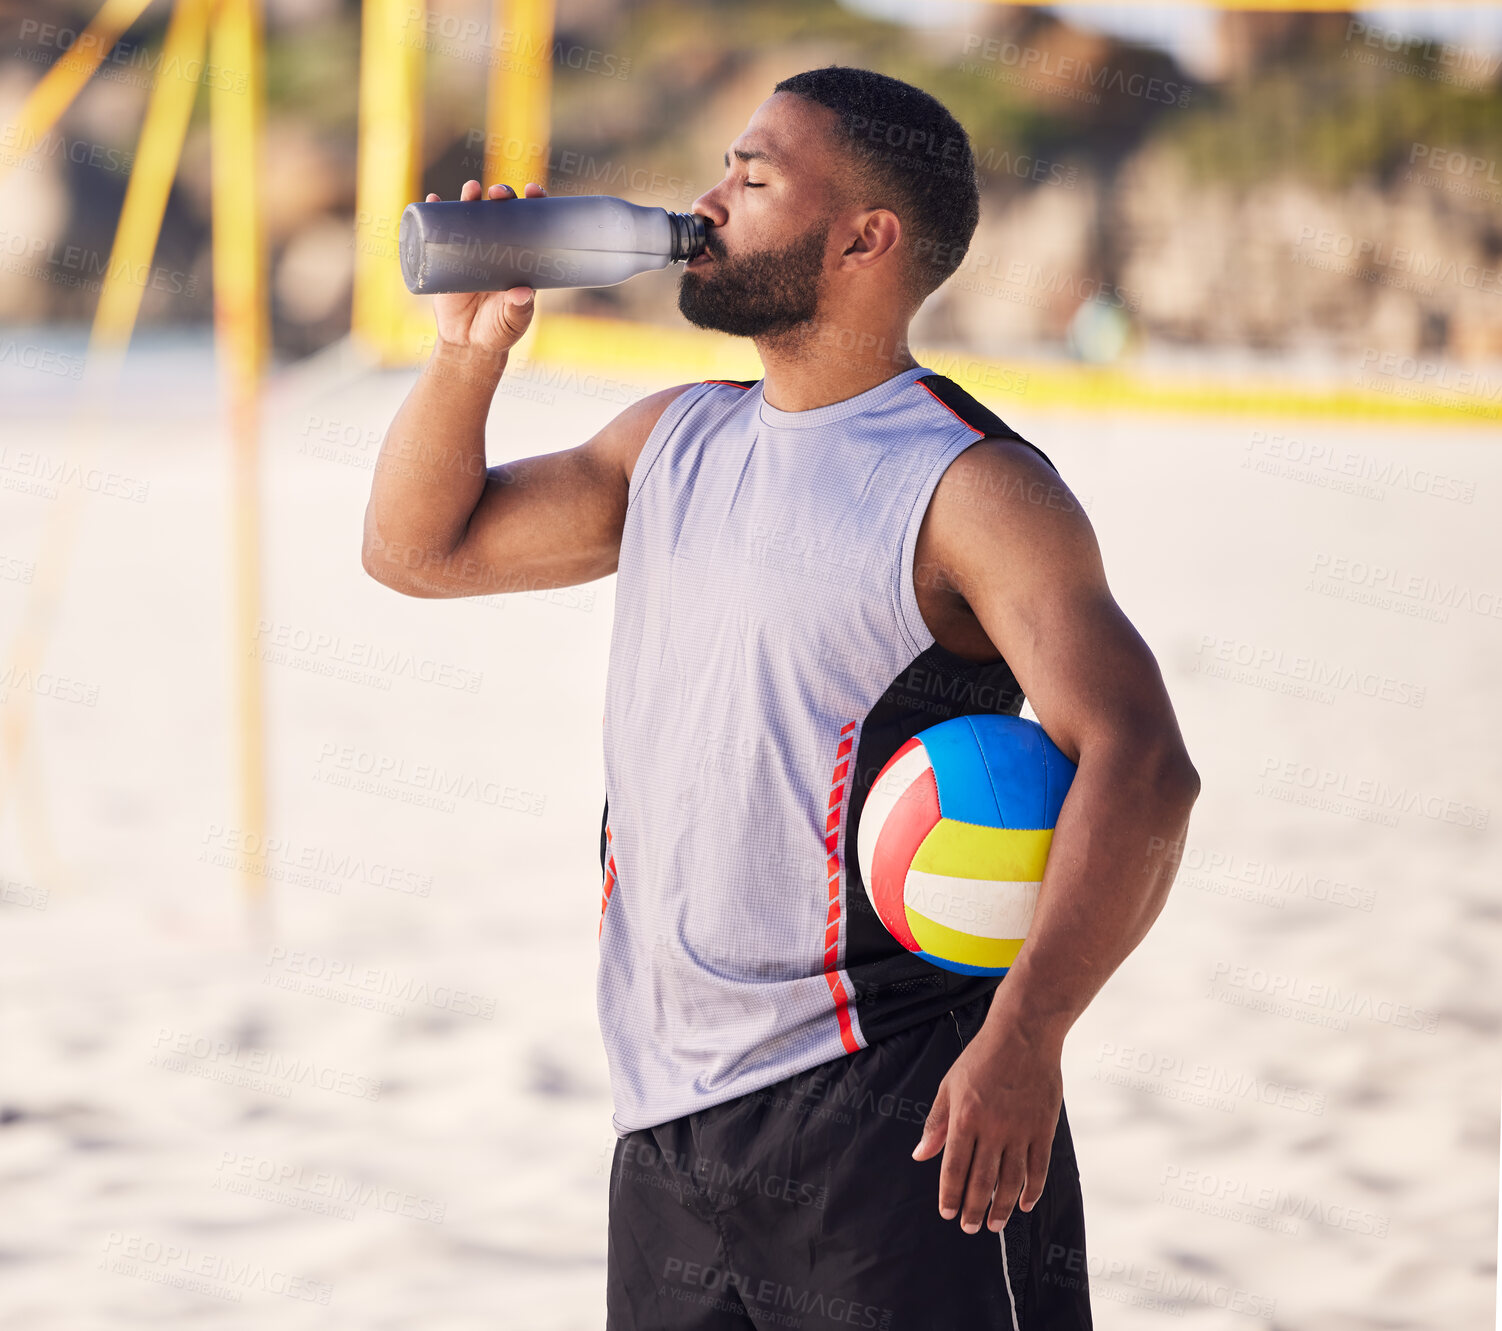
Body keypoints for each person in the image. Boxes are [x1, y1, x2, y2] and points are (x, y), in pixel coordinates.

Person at [363, 64, 1199, 1331]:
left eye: (752, 180)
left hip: (899, 1118)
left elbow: (1141, 764)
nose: (706, 204)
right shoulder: (670, 440)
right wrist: (467, 352)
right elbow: (416, 551)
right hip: (664, 1122)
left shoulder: (969, 486)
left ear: (865, 237)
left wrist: (1027, 1039)